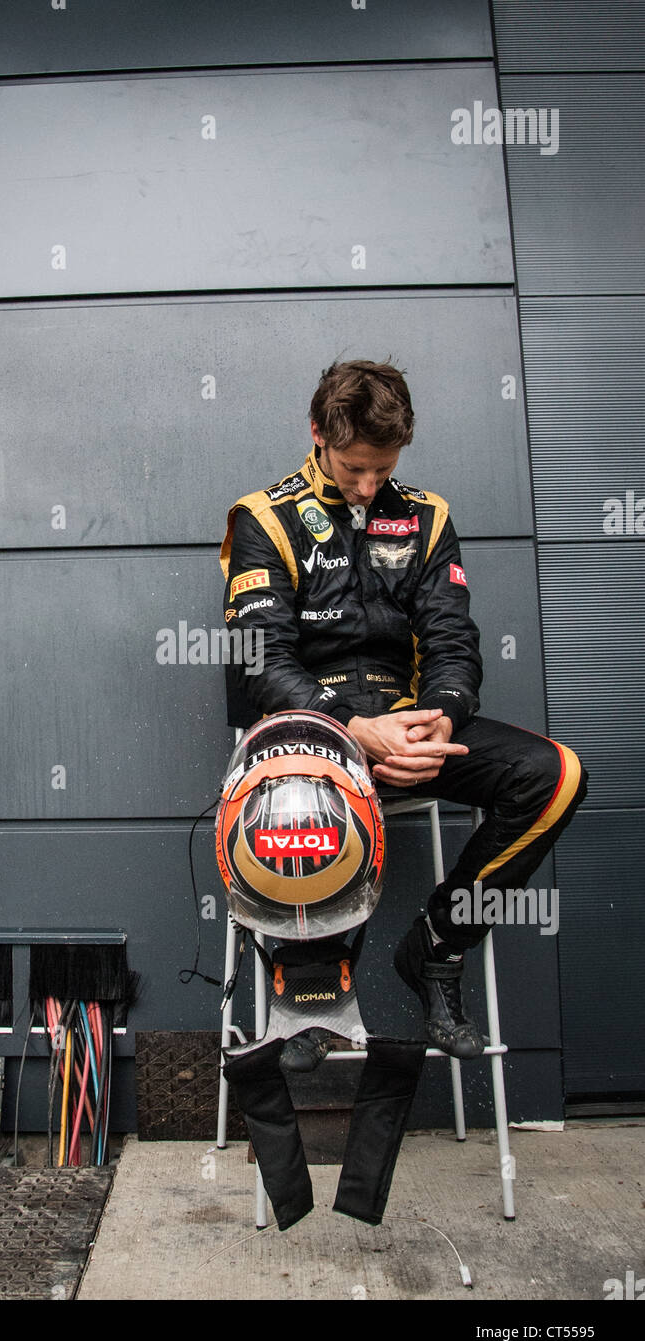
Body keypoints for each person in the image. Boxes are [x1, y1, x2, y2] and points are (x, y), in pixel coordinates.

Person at [219, 359, 587, 1062]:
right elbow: (261, 661)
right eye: (355, 467)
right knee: (299, 792)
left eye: (382, 469)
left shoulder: (426, 516)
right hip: (311, 738)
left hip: (410, 725)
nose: (368, 485)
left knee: (556, 775)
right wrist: (354, 731)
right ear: (318, 433)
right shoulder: (265, 518)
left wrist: (440, 717)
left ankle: (437, 948)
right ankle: (311, 985)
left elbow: (453, 641)